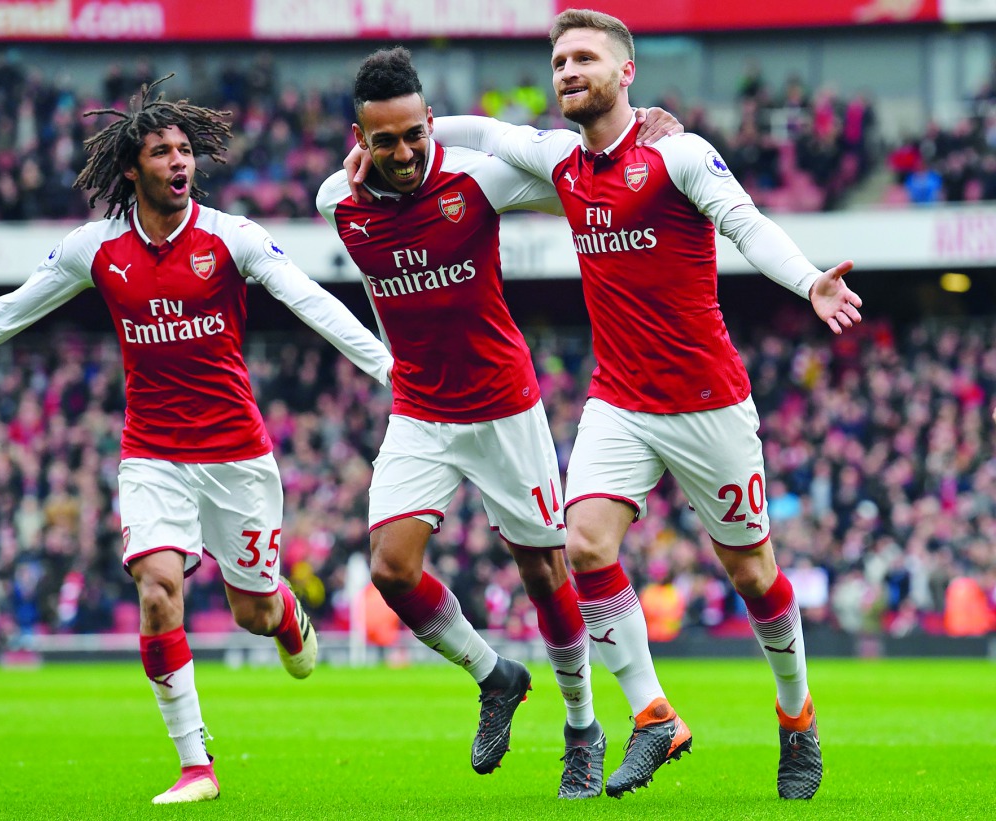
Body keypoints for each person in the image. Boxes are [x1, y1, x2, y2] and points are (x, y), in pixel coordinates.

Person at [349, 9, 862, 801]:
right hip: (617, 398)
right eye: (558, 61)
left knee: (752, 572)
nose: (566, 72)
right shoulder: (559, 161)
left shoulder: (678, 153)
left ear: (627, 73)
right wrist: (371, 144)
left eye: (584, 57)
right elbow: (477, 129)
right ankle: (654, 714)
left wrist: (810, 281)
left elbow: (745, 223)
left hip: (707, 402)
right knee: (583, 547)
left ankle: (796, 716)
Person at [0, 77, 394, 806]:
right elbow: (5, 315)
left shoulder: (231, 238)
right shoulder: (95, 249)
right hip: (153, 454)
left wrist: (392, 370)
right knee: (158, 590)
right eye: (162, 151)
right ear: (131, 167)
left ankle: (284, 610)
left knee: (251, 612)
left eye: (185, 150)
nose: (180, 161)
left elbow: (316, 304)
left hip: (236, 456)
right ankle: (197, 763)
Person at [319, 47, 678, 799]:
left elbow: (574, 171)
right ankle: (497, 676)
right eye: (384, 141)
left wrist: (641, 133)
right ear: (360, 139)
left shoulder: (476, 177)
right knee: (389, 567)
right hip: (419, 409)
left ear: (429, 123)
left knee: (544, 572)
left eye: (415, 133)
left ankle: (582, 727)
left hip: (505, 405)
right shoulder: (337, 203)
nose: (405, 152)